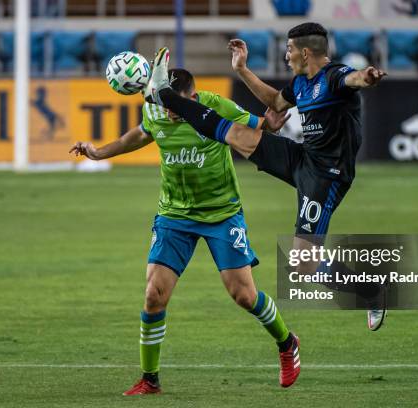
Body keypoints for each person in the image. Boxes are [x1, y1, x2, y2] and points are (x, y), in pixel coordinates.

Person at [70, 68, 301, 395]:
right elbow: (136, 136)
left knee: (244, 295)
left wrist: (270, 124)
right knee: (153, 295)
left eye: (175, 105)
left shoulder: (216, 106)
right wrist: (98, 152)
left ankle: (286, 342)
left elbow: (259, 124)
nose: (168, 111)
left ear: (193, 98)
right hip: (174, 215)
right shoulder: (156, 109)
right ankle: (150, 380)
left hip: (221, 213)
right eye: (165, 104)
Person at [143, 22, 388, 331]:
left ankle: (371, 290)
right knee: (235, 136)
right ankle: (165, 95)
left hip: (326, 177)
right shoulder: (301, 82)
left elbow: (354, 79)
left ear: (305, 52)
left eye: (288, 50)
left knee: (302, 265)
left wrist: (367, 77)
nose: (285, 56)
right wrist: (242, 69)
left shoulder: (334, 77)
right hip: (302, 158)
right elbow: (275, 102)